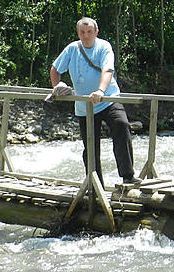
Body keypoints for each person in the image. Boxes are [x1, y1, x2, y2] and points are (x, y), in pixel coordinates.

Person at [49, 17, 140, 184]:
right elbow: (55, 69)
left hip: (108, 99)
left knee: (122, 125)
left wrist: (100, 91)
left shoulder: (104, 47)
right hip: (85, 105)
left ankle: (128, 176)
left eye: (89, 32)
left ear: (96, 32)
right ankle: (95, 183)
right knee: (90, 146)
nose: (86, 35)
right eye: (82, 32)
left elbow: (108, 70)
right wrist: (57, 86)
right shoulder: (72, 49)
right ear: (78, 33)